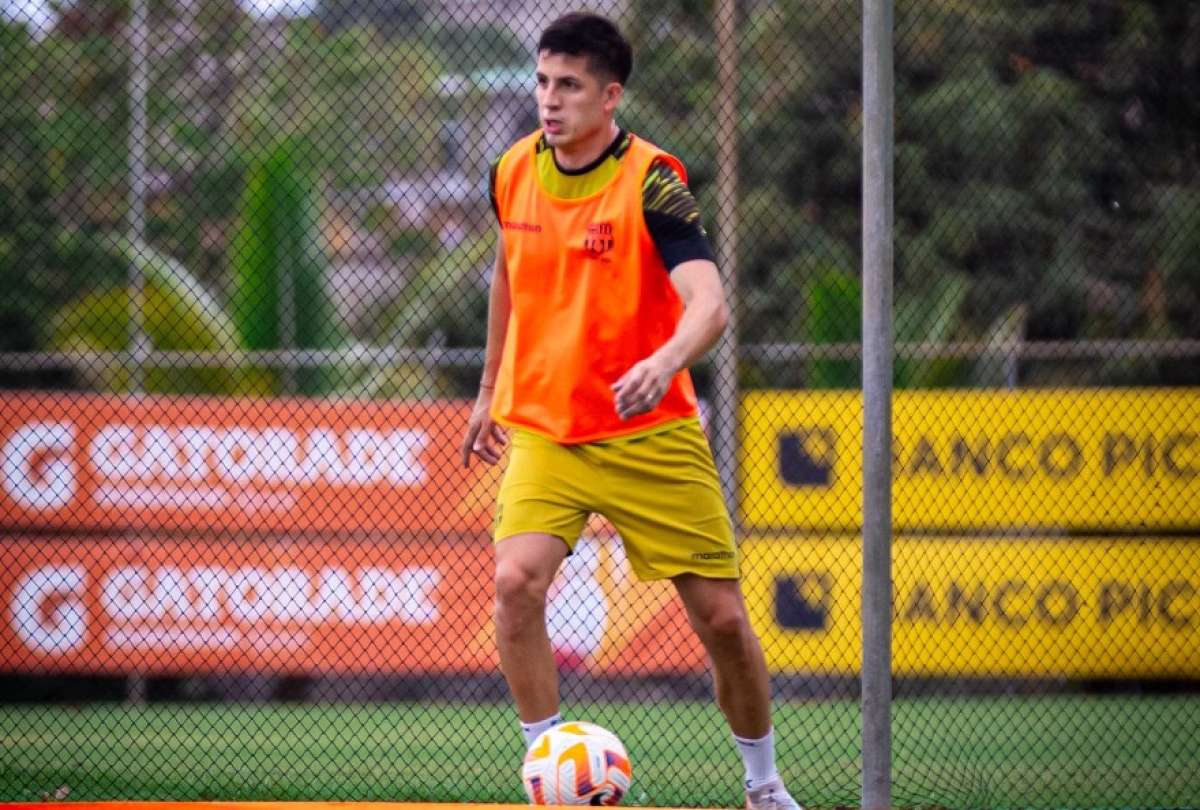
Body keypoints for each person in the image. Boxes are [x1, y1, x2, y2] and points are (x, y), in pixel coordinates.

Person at [459, 12, 803, 810]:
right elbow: (509, 273)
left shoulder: (652, 180)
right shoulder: (510, 171)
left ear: (610, 96)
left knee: (722, 621)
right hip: (548, 428)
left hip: (651, 432)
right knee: (515, 582)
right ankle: (551, 770)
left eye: (569, 86)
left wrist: (665, 360)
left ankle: (764, 787)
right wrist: (488, 389)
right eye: (542, 82)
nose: (550, 100)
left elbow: (709, 303)